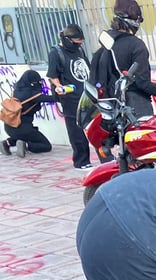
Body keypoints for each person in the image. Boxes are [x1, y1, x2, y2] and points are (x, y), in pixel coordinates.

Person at [91, 0, 156, 118]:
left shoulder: (106, 43)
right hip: (136, 109)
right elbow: (142, 83)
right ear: (136, 20)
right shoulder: (136, 45)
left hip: (110, 111)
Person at [46, 24, 94, 170]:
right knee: (76, 130)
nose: (79, 44)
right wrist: (59, 86)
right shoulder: (56, 53)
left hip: (86, 94)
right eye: (77, 41)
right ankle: (81, 161)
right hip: (70, 97)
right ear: (67, 39)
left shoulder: (79, 49)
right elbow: (53, 75)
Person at [1, 70, 56, 158]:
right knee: (46, 145)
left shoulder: (16, 91)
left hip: (9, 126)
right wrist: (56, 87)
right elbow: (54, 98)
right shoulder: (33, 95)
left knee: (25, 135)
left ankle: (7, 143)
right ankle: (25, 146)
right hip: (22, 128)